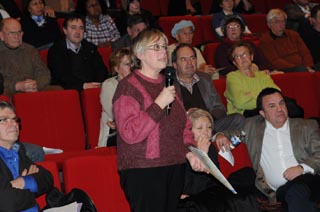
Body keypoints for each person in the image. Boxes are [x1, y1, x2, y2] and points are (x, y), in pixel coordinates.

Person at [113, 29, 206, 212]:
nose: (163, 51)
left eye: (164, 47)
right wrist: (158, 104)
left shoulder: (169, 84)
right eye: (156, 47)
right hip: (144, 170)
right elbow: (129, 132)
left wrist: (189, 152)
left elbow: (184, 127)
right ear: (139, 54)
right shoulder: (127, 87)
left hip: (174, 166)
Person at [233, 87, 320, 212]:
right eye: (272, 106)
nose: (279, 109)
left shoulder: (306, 125)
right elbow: (232, 134)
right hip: (280, 192)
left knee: (296, 191)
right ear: (262, 113)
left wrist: (301, 168)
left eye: (281, 103)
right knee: (292, 195)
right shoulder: (252, 126)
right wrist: (219, 136)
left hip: (309, 180)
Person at [178, 107, 261, 212]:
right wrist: (202, 155)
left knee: (245, 195)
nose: (206, 132)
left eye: (209, 127)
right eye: (200, 128)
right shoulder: (183, 151)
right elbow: (191, 187)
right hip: (193, 198)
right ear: (188, 131)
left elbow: (214, 179)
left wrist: (206, 154)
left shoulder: (210, 147)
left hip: (210, 193)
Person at [172, 43, 245, 132]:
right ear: (175, 65)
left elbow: (219, 108)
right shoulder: (169, 84)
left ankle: (215, 136)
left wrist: (208, 119)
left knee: (238, 119)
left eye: (192, 58)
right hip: (187, 128)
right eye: (184, 59)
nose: (189, 63)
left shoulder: (205, 78)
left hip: (210, 123)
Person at [0, 101, 53, 211]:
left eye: (14, 119)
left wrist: (22, 182)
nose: (14, 124)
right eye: (4, 120)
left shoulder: (18, 150)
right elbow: (6, 203)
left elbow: (47, 178)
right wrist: (32, 187)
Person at [48, 13, 108, 91]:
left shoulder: (90, 48)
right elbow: (60, 76)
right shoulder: (55, 51)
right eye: (73, 28)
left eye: (81, 28)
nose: (77, 31)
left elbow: (101, 70)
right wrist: (83, 86)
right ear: (65, 30)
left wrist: (97, 84)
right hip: (69, 92)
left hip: (92, 89)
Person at [224, 41, 280, 116]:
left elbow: (277, 93)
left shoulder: (263, 75)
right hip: (245, 115)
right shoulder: (232, 77)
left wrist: (250, 94)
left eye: (245, 54)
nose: (242, 58)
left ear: (251, 57)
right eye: (237, 56)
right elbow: (240, 103)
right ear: (234, 62)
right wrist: (264, 94)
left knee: (291, 107)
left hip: (268, 110)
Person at [0, 18, 51, 96]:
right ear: (1, 35)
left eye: (19, 32)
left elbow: (44, 73)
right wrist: (16, 86)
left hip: (34, 90)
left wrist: (36, 85)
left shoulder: (30, 50)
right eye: (12, 33)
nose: (17, 36)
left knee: (59, 91)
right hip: (9, 92)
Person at [259, 8, 316, 73]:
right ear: (269, 24)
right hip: (285, 69)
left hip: (303, 67)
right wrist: (299, 67)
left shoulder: (293, 34)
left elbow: (305, 53)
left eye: (283, 21)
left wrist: (308, 66)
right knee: (301, 70)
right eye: (277, 22)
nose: (281, 24)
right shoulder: (265, 40)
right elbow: (275, 61)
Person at [99, 48, 131, 147]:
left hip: (134, 130)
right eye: (127, 64)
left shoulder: (139, 84)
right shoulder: (109, 85)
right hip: (114, 134)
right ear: (117, 69)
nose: (132, 67)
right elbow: (115, 113)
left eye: (132, 63)